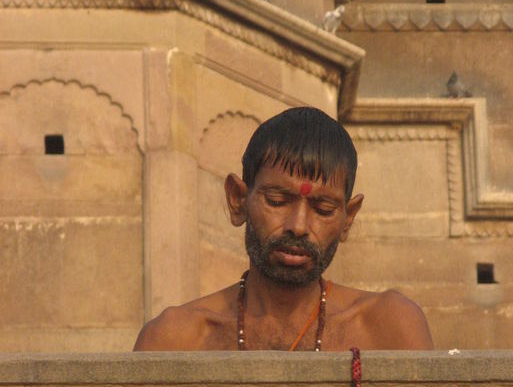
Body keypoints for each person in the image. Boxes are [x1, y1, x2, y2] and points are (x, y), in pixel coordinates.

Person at [134, 107, 433, 351]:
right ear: (238, 200)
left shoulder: (388, 328)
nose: (298, 226)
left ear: (348, 218)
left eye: (323, 209)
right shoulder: (175, 340)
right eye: (277, 202)